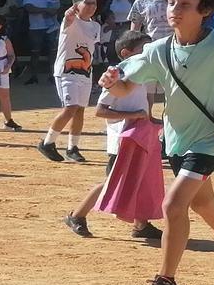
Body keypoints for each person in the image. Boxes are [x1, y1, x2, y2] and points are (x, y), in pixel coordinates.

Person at [105, 0, 214, 285]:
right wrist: (112, 83)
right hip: (176, 139)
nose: (174, 9)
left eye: (184, 4)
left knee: (173, 206)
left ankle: (164, 284)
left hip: (211, 140)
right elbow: (125, 87)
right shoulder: (158, 50)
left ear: (205, 11)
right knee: (204, 204)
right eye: (172, 2)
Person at [64, 29, 162, 245]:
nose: (148, 53)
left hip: (139, 135)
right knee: (112, 182)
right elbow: (100, 110)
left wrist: (149, 118)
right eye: (143, 49)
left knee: (140, 178)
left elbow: (143, 101)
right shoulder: (117, 76)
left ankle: (141, 225)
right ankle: (77, 215)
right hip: (121, 140)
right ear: (126, 54)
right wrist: (134, 115)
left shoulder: (141, 73)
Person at [39, 0, 100, 164]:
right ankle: (47, 142)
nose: (91, 6)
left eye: (94, 3)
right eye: (87, 2)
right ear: (76, 5)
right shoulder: (71, 20)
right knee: (71, 107)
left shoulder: (96, 26)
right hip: (67, 72)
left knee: (80, 109)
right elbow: (68, 18)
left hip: (85, 72)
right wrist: (69, 14)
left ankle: (72, 147)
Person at [22, 0, 59, 76]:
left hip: (51, 27)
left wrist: (51, 10)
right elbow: (29, 8)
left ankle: (53, 75)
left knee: (53, 52)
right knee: (35, 52)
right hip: (35, 28)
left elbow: (56, 7)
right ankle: (33, 76)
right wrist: (46, 9)